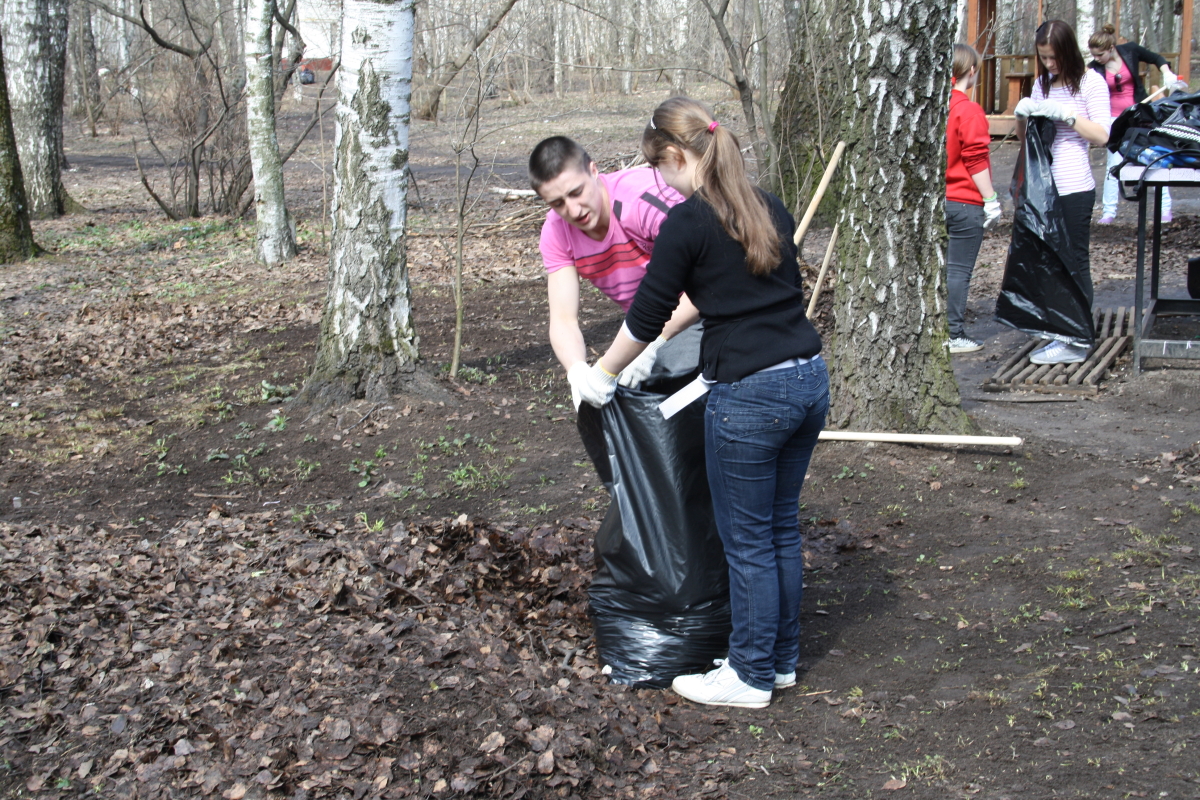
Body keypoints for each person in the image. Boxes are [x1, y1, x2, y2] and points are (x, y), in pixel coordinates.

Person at [571, 97, 828, 709]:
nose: (661, 181)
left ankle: (748, 676)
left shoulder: (690, 221)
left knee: (745, 541)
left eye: (661, 167)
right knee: (779, 529)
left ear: (680, 156)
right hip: (808, 380)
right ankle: (780, 660)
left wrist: (603, 372)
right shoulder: (767, 206)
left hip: (751, 396)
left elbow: (648, 314)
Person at [528, 137, 701, 480]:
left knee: (663, 380)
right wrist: (577, 371)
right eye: (558, 203)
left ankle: (690, 490)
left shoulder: (640, 202)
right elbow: (563, 318)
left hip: (707, 309)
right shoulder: (557, 232)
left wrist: (652, 342)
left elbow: (709, 284)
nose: (573, 210)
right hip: (648, 319)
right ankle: (654, 503)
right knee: (616, 397)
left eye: (577, 192)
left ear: (594, 172)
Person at [1012, 20, 1111, 365]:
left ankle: (1078, 338)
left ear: (1068, 51)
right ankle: (1061, 330)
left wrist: (1068, 116)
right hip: (1044, 187)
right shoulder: (1043, 83)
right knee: (1049, 264)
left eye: (1054, 58)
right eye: (1044, 58)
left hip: (1074, 185)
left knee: (1074, 262)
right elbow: (1028, 139)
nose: (1050, 65)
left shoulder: (1090, 83)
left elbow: (1101, 136)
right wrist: (1022, 116)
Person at [1088, 24, 1187, 224]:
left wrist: (1167, 73)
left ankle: (1165, 208)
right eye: (1094, 55)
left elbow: (1156, 59)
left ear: (1111, 48)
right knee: (1113, 164)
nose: (1096, 59)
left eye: (1100, 54)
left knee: (1156, 157)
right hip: (1113, 119)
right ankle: (1109, 212)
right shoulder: (1094, 69)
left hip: (1139, 117)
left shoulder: (1130, 51)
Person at [945, 43, 1002, 355]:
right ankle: (953, 334)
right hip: (965, 203)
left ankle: (936, 329)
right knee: (957, 271)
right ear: (971, 71)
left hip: (936, 202)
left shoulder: (931, 109)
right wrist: (990, 198)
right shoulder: (968, 110)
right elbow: (976, 159)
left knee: (939, 270)